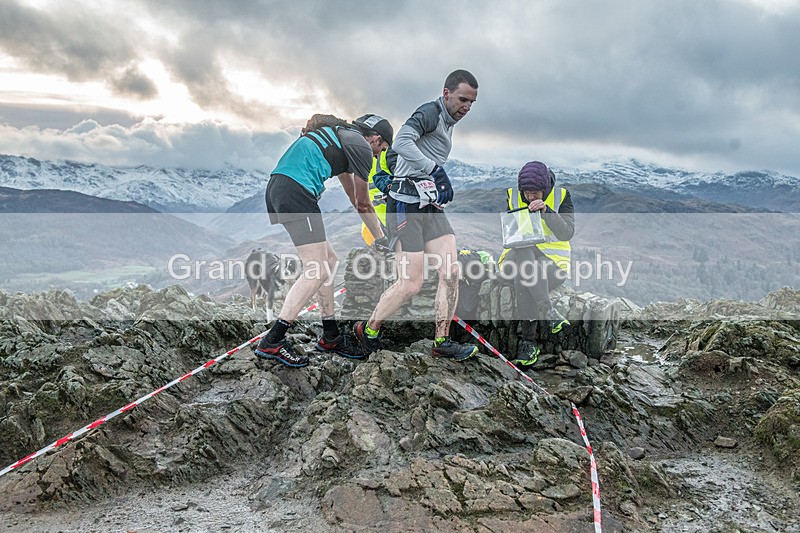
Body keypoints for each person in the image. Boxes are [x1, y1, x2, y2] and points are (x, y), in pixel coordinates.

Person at [353, 69, 480, 361]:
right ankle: (369, 329)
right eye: (462, 99)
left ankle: (442, 341)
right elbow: (402, 142)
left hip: (430, 204)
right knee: (411, 284)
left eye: (472, 103)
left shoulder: (448, 122)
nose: (467, 107)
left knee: (451, 271)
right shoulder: (430, 112)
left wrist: (433, 182)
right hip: (405, 206)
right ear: (446, 93)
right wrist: (434, 170)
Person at [254, 114, 393, 367]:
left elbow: (354, 199)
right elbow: (363, 203)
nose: (376, 157)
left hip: (282, 188)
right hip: (296, 192)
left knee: (329, 260)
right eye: (380, 150)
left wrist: (378, 233)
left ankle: (330, 336)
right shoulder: (361, 147)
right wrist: (382, 238)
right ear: (375, 139)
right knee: (316, 269)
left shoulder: (341, 136)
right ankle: (273, 340)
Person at [498, 161, 574, 369]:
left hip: (552, 265)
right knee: (523, 249)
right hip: (513, 260)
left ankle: (528, 344)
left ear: (545, 189)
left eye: (535, 193)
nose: (531, 197)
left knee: (525, 275)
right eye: (527, 193)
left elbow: (567, 233)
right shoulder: (513, 195)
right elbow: (510, 234)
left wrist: (546, 212)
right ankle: (547, 310)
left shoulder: (561, 197)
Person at [352, 114, 397, 248]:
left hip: (391, 223)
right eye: (382, 148)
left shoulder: (390, 153)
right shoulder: (356, 152)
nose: (378, 154)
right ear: (376, 140)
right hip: (375, 224)